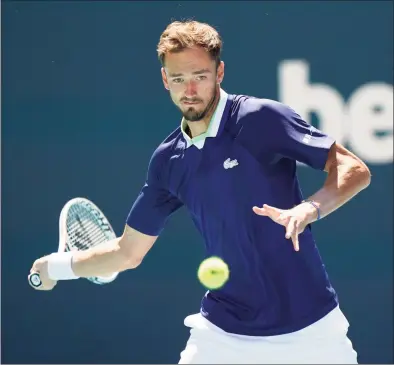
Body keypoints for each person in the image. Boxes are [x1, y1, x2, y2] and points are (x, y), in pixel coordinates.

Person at [29, 20, 371, 364]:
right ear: (165, 80)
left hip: (311, 329)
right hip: (222, 335)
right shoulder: (168, 161)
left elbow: (353, 169)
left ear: (219, 72)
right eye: (178, 79)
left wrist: (308, 209)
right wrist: (55, 267)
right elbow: (127, 252)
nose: (189, 90)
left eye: (200, 76)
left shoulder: (260, 119)